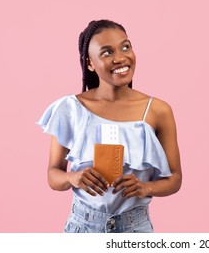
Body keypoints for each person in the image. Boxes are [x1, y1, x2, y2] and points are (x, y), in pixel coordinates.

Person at [37, 19, 182, 233]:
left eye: (125, 47)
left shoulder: (158, 110)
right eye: (106, 53)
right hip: (82, 228)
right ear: (89, 63)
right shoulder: (70, 109)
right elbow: (53, 174)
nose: (120, 58)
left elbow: (175, 179)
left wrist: (145, 187)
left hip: (135, 230)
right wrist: (72, 177)